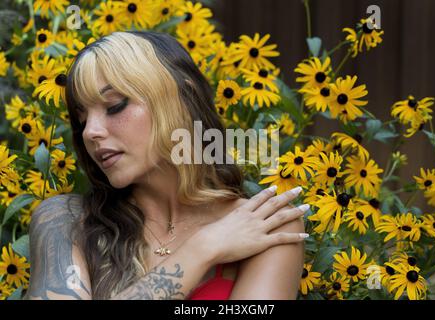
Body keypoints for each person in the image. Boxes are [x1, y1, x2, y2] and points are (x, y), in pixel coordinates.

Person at [25, 31, 309, 300]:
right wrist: (202, 249)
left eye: (114, 106)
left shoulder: (264, 224)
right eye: (82, 119)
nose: (90, 132)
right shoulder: (64, 221)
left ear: (183, 100)